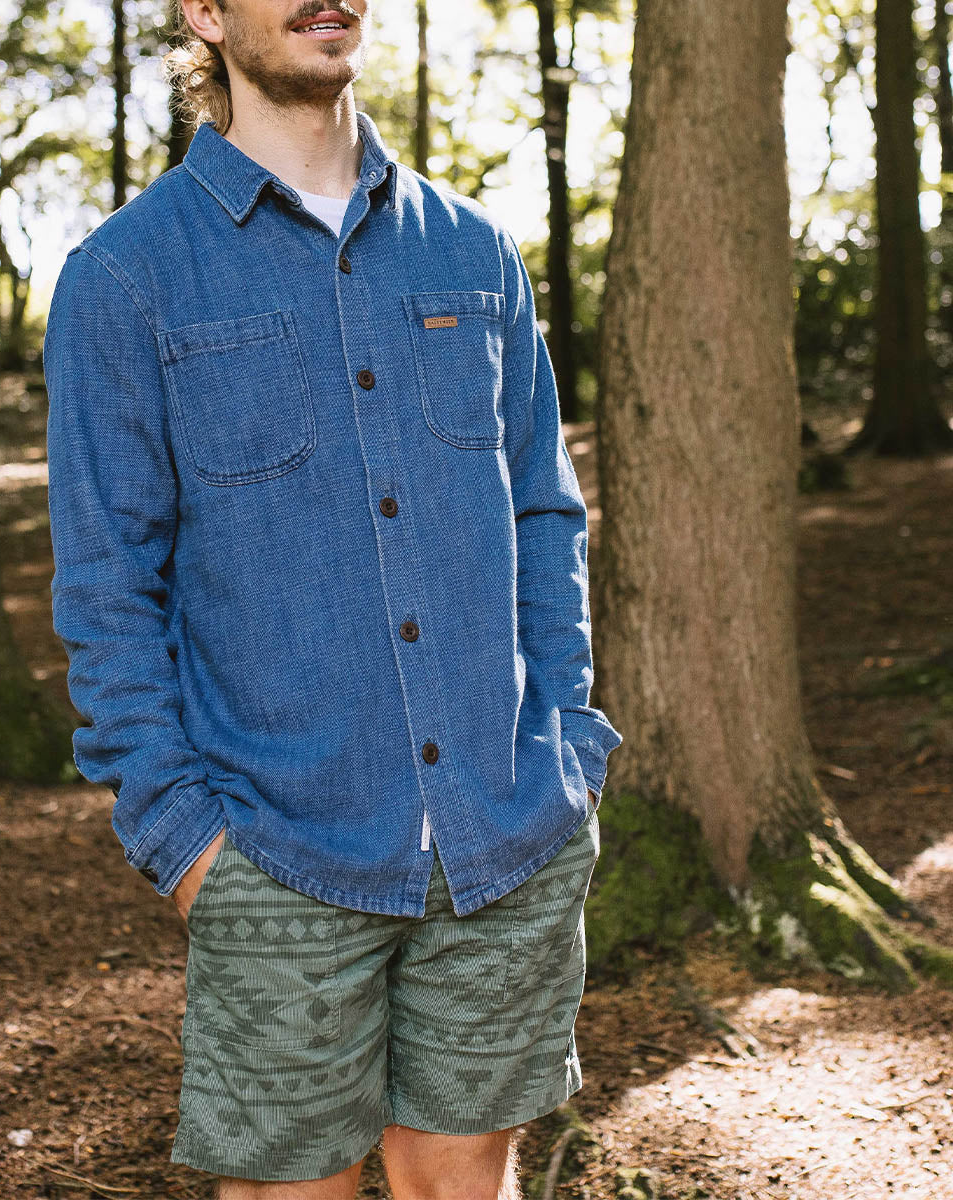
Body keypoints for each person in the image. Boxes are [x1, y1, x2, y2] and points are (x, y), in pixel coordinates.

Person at [43, 1, 623, 1196]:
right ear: (205, 13)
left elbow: (544, 512)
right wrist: (187, 843)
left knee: (463, 1180)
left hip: (502, 830)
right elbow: (107, 591)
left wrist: (566, 742)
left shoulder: (473, 252)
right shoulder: (126, 277)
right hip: (275, 846)